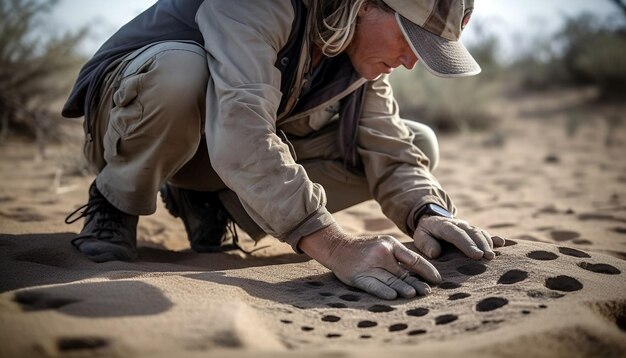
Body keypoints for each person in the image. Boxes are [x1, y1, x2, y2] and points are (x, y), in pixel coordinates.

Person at [63, 0, 505, 300]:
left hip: (214, 154)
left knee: (419, 142)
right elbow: (242, 130)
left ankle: (208, 202)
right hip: (131, 121)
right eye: (409, 40)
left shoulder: (356, 52)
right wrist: (336, 247)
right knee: (182, 72)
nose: (411, 61)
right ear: (365, 4)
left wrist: (429, 213)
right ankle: (115, 200)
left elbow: (392, 151)